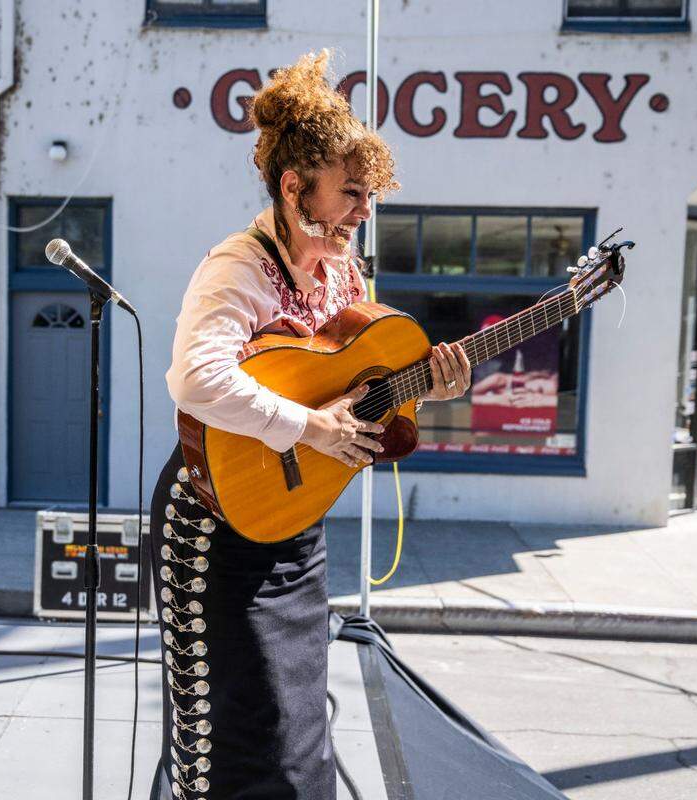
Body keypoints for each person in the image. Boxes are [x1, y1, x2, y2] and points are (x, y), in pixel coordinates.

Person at [149, 50, 471, 800]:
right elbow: (196, 380)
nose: (364, 211)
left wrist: (431, 386)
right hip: (216, 521)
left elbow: (356, 397)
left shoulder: (342, 277)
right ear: (295, 188)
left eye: (368, 195)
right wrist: (309, 428)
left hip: (295, 522)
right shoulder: (238, 268)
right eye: (351, 193)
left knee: (299, 738)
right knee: (228, 739)